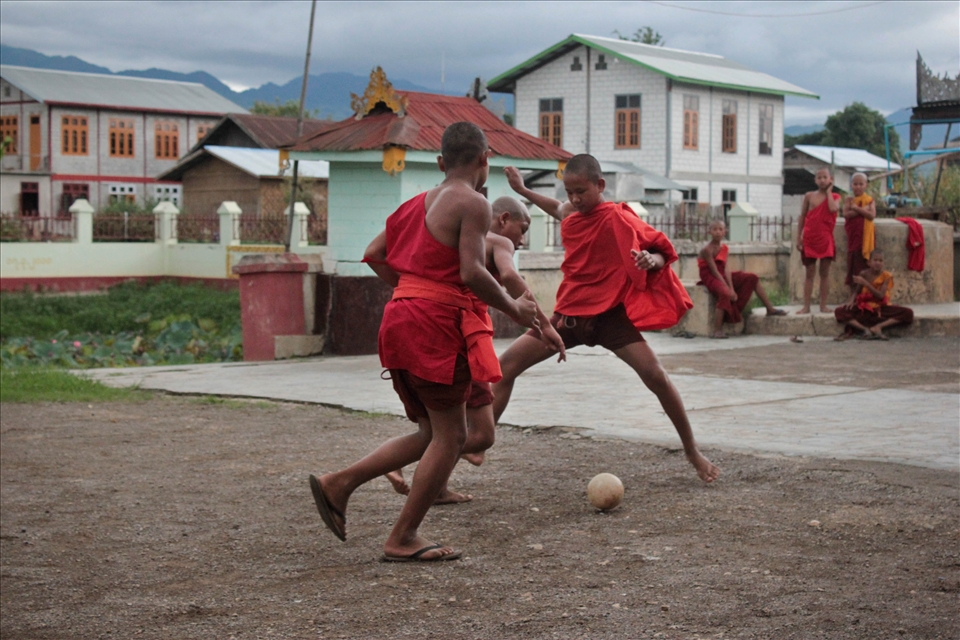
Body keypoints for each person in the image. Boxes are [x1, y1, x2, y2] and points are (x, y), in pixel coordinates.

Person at [308, 122, 540, 562]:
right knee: (452, 436)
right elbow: (472, 272)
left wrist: (416, 289)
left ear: (439, 163)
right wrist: (515, 309)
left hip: (400, 318)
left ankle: (339, 483)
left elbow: (374, 255)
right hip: (434, 326)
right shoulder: (474, 204)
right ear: (484, 161)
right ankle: (402, 537)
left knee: (434, 432)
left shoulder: (414, 204)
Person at [498, 155, 721, 483]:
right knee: (505, 367)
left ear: (600, 186)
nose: (574, 199)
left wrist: (650, 260)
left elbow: (661, 250)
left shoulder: (618, 216)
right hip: (569, 317)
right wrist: (523, 190)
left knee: (656, 376)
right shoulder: (572, 213)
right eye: (569, 191)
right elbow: (556, 208)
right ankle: (478, 441)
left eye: (581, 191)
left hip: (610, 317)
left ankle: (692, 450)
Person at [385, 196, 566, 504]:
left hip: (422, 327)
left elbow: (379, 254)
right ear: (503, 219)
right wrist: (544, 325)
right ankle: (394, 463)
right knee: (475, 436)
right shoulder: (498, 243)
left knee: (451, 431)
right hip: (462, 336)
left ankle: (435, 488)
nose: (522, 241)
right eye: (522, 230)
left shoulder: (453, 236)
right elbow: (509, 277)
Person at [698, 220, 787, 338]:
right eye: (715, 229)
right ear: (709, 232)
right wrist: (727, 288)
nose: (718, 232)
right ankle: (717, 330)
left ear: (725, 232)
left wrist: (732, 288)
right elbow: (714, 270)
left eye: (720, 229)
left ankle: (770, 309)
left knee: (752, 278)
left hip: (721, 274)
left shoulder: (724, 248)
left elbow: (725, 269)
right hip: (710, 276)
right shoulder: (707, 250)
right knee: (724, 293)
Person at [834, 249, 913, 341]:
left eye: (880, 261)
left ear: (883, 263)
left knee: (908, 313)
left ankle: (878, 326)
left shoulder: (886, 276)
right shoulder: (864, 274)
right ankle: (864, 329)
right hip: (865, 307)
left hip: (880, 307)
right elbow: (857, 291)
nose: (878, 263)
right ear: (869, 262)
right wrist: (851, 300)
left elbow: (880, 296)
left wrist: (866, 284)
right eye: (875, 260)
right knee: (839, 311)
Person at [796, 168, 841, 314]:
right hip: (809, 238)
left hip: (825, 238)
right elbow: (802, 217)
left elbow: (833, 209)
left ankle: (823, 305)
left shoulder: (835, 196)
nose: (822, 180)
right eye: (819, 177)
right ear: (815, 180)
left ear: (830, 179)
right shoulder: (809, 196)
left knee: (824, 273)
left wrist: (828, 192)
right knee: (809, 273)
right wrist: (799, 237)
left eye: (825, 177)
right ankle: (806, 306)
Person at [842, 172, 877, 297]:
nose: (858, 187)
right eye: (855, 184)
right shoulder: (849, 200)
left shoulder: (870, 200)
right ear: (851, 185)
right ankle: (854, 297)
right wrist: (863, 210)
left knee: (866, 267)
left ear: (865, 185)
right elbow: (846, 214)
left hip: (866, 239)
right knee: (853, 267)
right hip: (854, 238)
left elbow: (872, 216)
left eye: (861, 184)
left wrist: (856, 209)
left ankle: (865, 296)